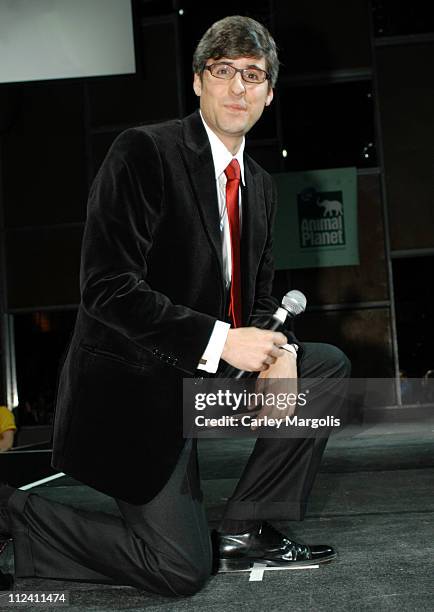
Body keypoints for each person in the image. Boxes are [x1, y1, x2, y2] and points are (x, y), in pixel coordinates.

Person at [0, 16, 350, 596]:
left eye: (254, 75)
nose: (239, 88)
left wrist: (278, 351)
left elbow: (257, 300)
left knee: (323, 367)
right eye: (224, 71)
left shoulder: (260, 186)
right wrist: (221, 340)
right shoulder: (143, 152)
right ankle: (13, 516)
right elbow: (107, 286)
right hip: (134, 394)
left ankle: (247, 530)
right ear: (197, 82)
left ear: (269, 93)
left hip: (205, 386)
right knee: (180, 570)